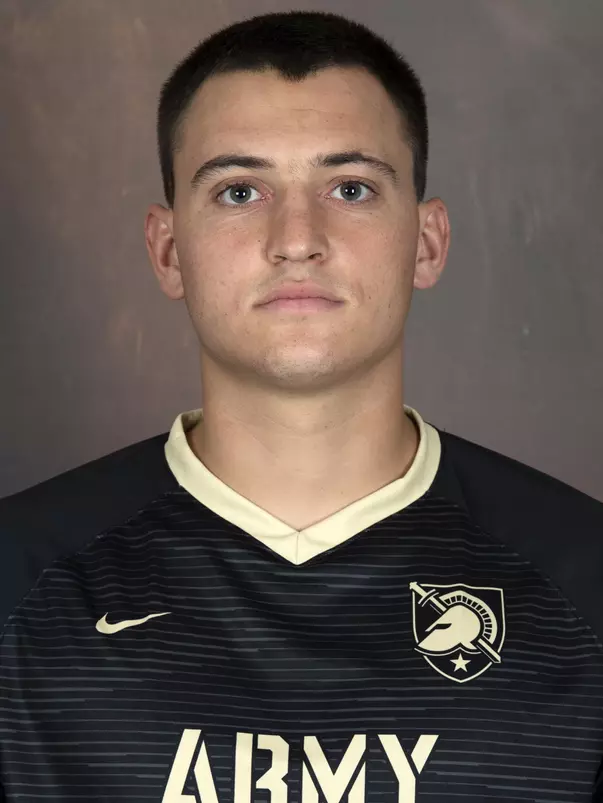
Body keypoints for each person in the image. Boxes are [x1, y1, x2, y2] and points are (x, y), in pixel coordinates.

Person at [1, 8, 602, 802]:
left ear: (425, 242)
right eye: (239, 190)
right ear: (168, 249)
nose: (295, 238)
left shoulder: (581, 578)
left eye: (350, 188)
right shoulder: (21, 581)